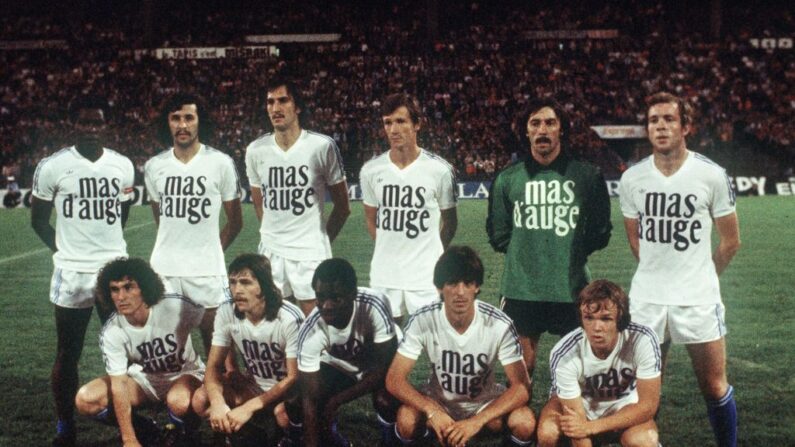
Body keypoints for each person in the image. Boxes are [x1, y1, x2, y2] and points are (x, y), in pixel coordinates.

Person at [618, 92, 741, 447]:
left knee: (714, 385)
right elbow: (635, 241)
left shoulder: (711, 175)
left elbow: (731, 241)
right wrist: (661, 273)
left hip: (697, 298)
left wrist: (702, 275)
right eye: (654, 120)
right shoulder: (633, 179)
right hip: (648, 300)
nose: (661, 126)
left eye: (669, 119)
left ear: (685, 126)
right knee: (644, 391)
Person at [30, 94, 135, 446]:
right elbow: (39, 222)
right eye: (84, 123)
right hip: (72, 272)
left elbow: (122, 216)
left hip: (113, 272)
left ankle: (127, 421)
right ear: (73, 125)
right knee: (68, 350)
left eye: (97, 123)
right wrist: (65, 250)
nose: (91, 129)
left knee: (123, 349)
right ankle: (65, 425)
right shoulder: (53, 166)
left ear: (106, 126)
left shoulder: (122, 165)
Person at [486, 98, 612, 382]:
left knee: (576, 370)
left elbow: (600, 231)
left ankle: (571, 425)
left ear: (561, 130)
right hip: (521, 289)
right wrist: (528, 249)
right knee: (520, 372)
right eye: (535, 123)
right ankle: (517, 427)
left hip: (572, 288)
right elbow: (498, 234)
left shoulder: (587, 175)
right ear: (526, 132)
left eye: (550, 123)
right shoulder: (507, 178)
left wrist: (568, 250)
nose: (542, 130)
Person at [386, 246, 536, 447]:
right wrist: (432, 410)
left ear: (477, 287)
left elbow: (521, 387)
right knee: (406, 418)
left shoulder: (498, 323)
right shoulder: (423, 319)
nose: (460, 292)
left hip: (483, 405)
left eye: (468, 283)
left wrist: (476, 421)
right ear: (439, 287)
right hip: (440, 402)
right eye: (452, 283)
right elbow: (394, 379)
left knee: (524, 421)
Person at [144, 93, 243, 358]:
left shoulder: (221, 163)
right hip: (164, 270)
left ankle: (219, 399)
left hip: (207, 269)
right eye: (175, 118)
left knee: (219, 348)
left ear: (200, 121)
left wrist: (210, 249)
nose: (182, 125)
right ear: (167, 123)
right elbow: (160, 219)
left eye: (189, 117)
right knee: (165, 352)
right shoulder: (155, 167)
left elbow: (235, 222)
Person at [245, 75, 351, 317]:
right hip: (271, 251)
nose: (276, 108)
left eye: (283, 101)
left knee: (316, 323)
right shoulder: (255, 151)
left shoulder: (321, 146)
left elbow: (343, 207)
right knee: (276, 324)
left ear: (298, 106)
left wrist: (319, 239)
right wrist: (274, 234)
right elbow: (260, 205)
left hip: (309, 251)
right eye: (270, 102)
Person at [74, 258, 206, 447]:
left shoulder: (174, 307)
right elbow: (119, 385)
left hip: (185, 375)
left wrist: (221, 374)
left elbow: (213, 327)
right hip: (146, 381)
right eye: (115, 289)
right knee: (86, 399)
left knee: (178, 400)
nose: (121, 296)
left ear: (144, 288)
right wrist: (130, 439)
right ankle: (145, 430)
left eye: (129, 287)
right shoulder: (112, 331)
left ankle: (185, 432)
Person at [359, 93, 458, 325]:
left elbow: (450, 223)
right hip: (386, 273)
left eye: (401, 121)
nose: (393, 129)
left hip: (425, 275)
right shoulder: (371, 171)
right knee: (387, 344)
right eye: (388, 122)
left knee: (435, 342)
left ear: (417, 124)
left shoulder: (440, 170)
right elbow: (370, 221)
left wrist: (429, 253)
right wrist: (391, 247)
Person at [281, 258, 400, 447]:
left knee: (385, 399)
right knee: (296, 400)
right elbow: (309, 399)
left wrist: (336, 401)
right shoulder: (311, 330)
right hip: (341, 363)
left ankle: (392, 440)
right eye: (320, 297)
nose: (326, 306)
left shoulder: (374, 304)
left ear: (353, 293)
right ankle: (329, 438)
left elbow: (383, 370)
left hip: (376, 363)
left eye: (335, 298)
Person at [192, 253, 304, 445]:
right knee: (201, 399)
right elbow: (213, 366)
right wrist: (218, 403)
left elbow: (293, 377)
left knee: (283, 415)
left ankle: (293, 436)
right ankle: (250, 434)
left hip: (290, 391)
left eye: (245, 282)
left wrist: (249, 407)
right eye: (233, 282)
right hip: (255, 385)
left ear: (264, 285)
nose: (237, 290)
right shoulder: (227, 311)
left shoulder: (289, 317)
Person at [537, 280, 662, 447]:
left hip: (625, 407)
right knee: (548, 432)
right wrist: (585, 428)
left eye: (606, 319)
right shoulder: (565, 353)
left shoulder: (642, 339)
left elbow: (648, 406)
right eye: (589, 318)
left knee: (644, 440)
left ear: (620, 319)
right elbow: (577, 424)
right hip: (582, 408)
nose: (597, 327)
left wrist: (592, 427)